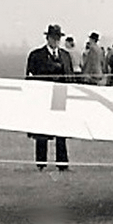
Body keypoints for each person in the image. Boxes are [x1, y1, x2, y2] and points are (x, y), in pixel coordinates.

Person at [26, 24, 75, 171]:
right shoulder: (36, 56)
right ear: (47, 38)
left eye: (58, 38)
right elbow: (30, 79)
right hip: (44, 98)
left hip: (60, 97)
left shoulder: (65, 56)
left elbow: (71, 77)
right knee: (42, 131)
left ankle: (62, 164)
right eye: (53, 38)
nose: (56, 41)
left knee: (61, 131)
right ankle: (41, 164)